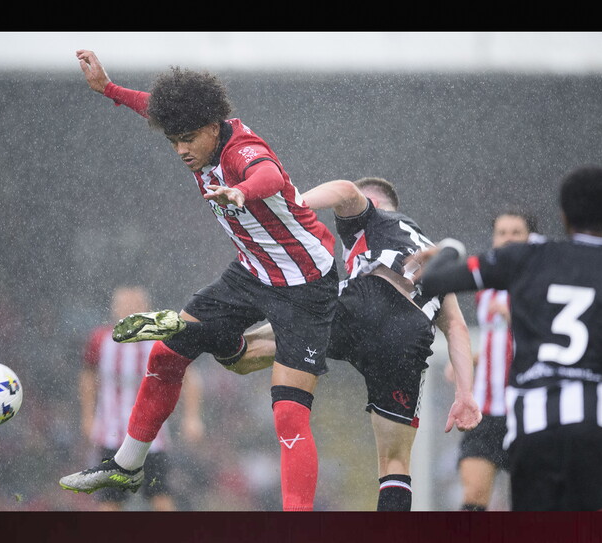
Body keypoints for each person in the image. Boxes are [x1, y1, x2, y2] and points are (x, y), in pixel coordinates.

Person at [60, 50, 339, 512]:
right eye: (173, 141)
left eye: (188, 139)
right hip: (251, 271)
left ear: (214, 125)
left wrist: (241, 191)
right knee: (167, 352)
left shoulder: (241, 151)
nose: (181, 150)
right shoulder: (195, 131)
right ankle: (126, 464)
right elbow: (154, 105)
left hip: (306, 284)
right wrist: (108, 88)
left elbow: (267, 173)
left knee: (289, 411)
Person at [409, 165, 602, 511]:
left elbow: (432, 281)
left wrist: (450, 249)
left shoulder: (527, 258)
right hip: (601, 432)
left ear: (564, 216)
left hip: (534, 430)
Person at [219, 177, 482, 511]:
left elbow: (345, 190)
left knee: (248, 352)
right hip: (410, 334)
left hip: (370, 297)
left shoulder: (376, 216)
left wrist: (290, 205)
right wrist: (465, 393)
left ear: (375, 200)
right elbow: (456, 325)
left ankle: (213, 333)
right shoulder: (431, 252)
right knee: (395, 463)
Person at [75, 286, 204, 511]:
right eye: (123, 304)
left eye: (135, 304)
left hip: (152, 438)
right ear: (114, 308)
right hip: (112, 435)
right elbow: (87, 376)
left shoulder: (163, 340)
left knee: (161, 497)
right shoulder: (100, 340)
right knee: (109, 502)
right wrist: (87, 416)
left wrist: (192, 417)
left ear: (146, 308)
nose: (129, 309)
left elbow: (189, 377)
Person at [445, 209, 539, 511]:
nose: (508, 239)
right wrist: (468, 361)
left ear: (530, 238)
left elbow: (552, 337)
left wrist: (516, 316)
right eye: (502, 233)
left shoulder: (542, 282)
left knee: (530, 502)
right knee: (473, 497)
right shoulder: (486, 286)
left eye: (516, 232)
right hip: (485, 410)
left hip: (527, 411)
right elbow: (496, 340)